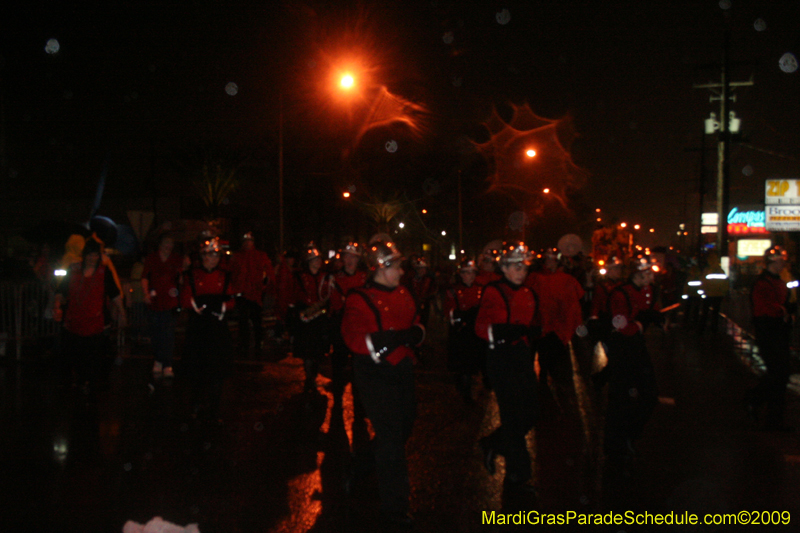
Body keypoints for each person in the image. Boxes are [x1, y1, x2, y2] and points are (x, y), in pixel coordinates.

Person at [341, 239, 424, 527]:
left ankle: (361, 467)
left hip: (401, 367)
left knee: (404, 426)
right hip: (374, 372)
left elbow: (416, 321)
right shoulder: (358, 297)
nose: (401, 272)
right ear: (380, 268)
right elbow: (353, 337)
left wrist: (414, 334)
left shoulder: (404, 293)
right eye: (397, 266)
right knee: (390, 437)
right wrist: (388, 340)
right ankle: (394, 508)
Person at [475, 242, 539, 492]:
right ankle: (518, 474)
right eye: (515, 267)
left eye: (524, 268)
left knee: (531, 411)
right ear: (504, 268)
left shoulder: (528, 292)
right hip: (500, 356)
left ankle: (492, 442)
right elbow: (481, 327)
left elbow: (532, 322)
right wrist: (506, 331)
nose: (521, 272)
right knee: (512, 414)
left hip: (521, 355)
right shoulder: (493, 290)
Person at [603, 255, 661, 460]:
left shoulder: (650, 290)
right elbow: (620, 325)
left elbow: (652, 309)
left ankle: (629, 434)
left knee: (649, 394)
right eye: (647, 273)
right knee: (620, 397)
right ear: (638, 274)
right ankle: (614, 443)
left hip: (637, 346)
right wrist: (639, 323)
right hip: (622, 347)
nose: (651, 276)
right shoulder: (620, 294)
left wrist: (657, 318)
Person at [53, 237, 126, 396]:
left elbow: (114, 294)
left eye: (96, 255)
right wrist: (57, 306)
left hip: (95, 321)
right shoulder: (74, 270)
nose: (93, 259)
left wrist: (122, 312)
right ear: (85, 255)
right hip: (75, 319)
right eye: (90, 255)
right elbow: (61, 290)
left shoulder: (103, 272)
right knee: (76, 353)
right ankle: (79, 380)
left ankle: (91, 382)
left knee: (94, 354)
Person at [180, 236, 236, 422]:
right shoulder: (192, 275)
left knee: (217, 371)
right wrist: (193, 305)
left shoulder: (224, 276)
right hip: (198, 328)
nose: (213, 259)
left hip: (218, 327)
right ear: (203, 256)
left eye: (216, 256)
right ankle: (195, 403)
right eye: (210, 255)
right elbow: (185, 297)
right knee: (197, 368)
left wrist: (223, 308)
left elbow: (232, 300)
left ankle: (214, 407)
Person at [746, 245, 795, 431]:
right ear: (773, 261)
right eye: (781, 259)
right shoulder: (762, 283)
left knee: (781, 375)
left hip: (779, 332)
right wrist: (781, 311)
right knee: (778, 374)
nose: (784, 262)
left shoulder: (779, 282)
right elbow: (763, 309)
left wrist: (787, 311)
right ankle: (756, 402)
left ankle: (773, 417)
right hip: (768, 332)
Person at [526, 248, 584, 390]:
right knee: (539, 352)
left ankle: (549, 379)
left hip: (558, 323)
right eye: (547, 260)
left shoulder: (566, 279)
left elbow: (574, 299)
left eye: (552, 260)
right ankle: (540, 379)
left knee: (552, 354)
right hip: (539, 321)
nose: (549, 262)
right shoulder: (535, 277)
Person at [288, 242, 332, 393]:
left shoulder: (325, 277)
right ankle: (309, 376)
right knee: (307, 349)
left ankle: (313, 372)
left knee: (319, 349)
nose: (317, 263)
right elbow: (295, 295)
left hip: (320, 317)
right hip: (306, 317)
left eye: (319, 260)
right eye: (314, 260)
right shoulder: (301, 277)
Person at [141, 233, 185, 378]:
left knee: (168, 333)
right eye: (166, 242)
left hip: (171, 302)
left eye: (171, 243)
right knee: (156, 332)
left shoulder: (176, 259)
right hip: (155, 301)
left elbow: (182, 278)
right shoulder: (152, 258)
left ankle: (167, 363)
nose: (169, 246)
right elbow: (144, 277)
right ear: (160, 244)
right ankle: (158, 359)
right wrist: (146, 293)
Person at [328, 242, 368, 398]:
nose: (350, 260)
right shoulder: (336, 279)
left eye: (353, 257)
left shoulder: (365, 277)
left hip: (360, 326)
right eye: (347, 256)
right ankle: (338, 392)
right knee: (339, 359)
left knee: (360, 360)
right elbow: (335, 303)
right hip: (342, 324)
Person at [444, 258, 484, 402]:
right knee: (461, 363)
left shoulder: (481, 289)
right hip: (461, 331)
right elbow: (449, 312)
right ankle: (464, 388)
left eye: (472, 273)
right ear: (461, 274)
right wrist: (463, 315)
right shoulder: (453, 290)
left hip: (476, 331)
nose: (470, 276)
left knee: (475, 361)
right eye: (466, 273)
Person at [230, 231, 275, 354]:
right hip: (242, 293)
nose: (248, 243)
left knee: (256, 319)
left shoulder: (260, 255)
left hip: (256, 293)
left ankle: (258, 342)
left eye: (250, 241)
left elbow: (268, 273)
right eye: (246, 241)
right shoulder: (237, 256)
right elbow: (232, 273)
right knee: (243, 320)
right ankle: (244, 343)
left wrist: (265, 286)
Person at [698, 252, 729, 335]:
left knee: (705, 312)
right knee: (715, 313)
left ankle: (702, 329)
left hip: (708, 294)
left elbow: (703, 282)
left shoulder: (707, 270)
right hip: (718, 295)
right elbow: (725, 283)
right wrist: (724, 293)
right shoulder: (721, 271)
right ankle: (714, 329)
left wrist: (702, 292)